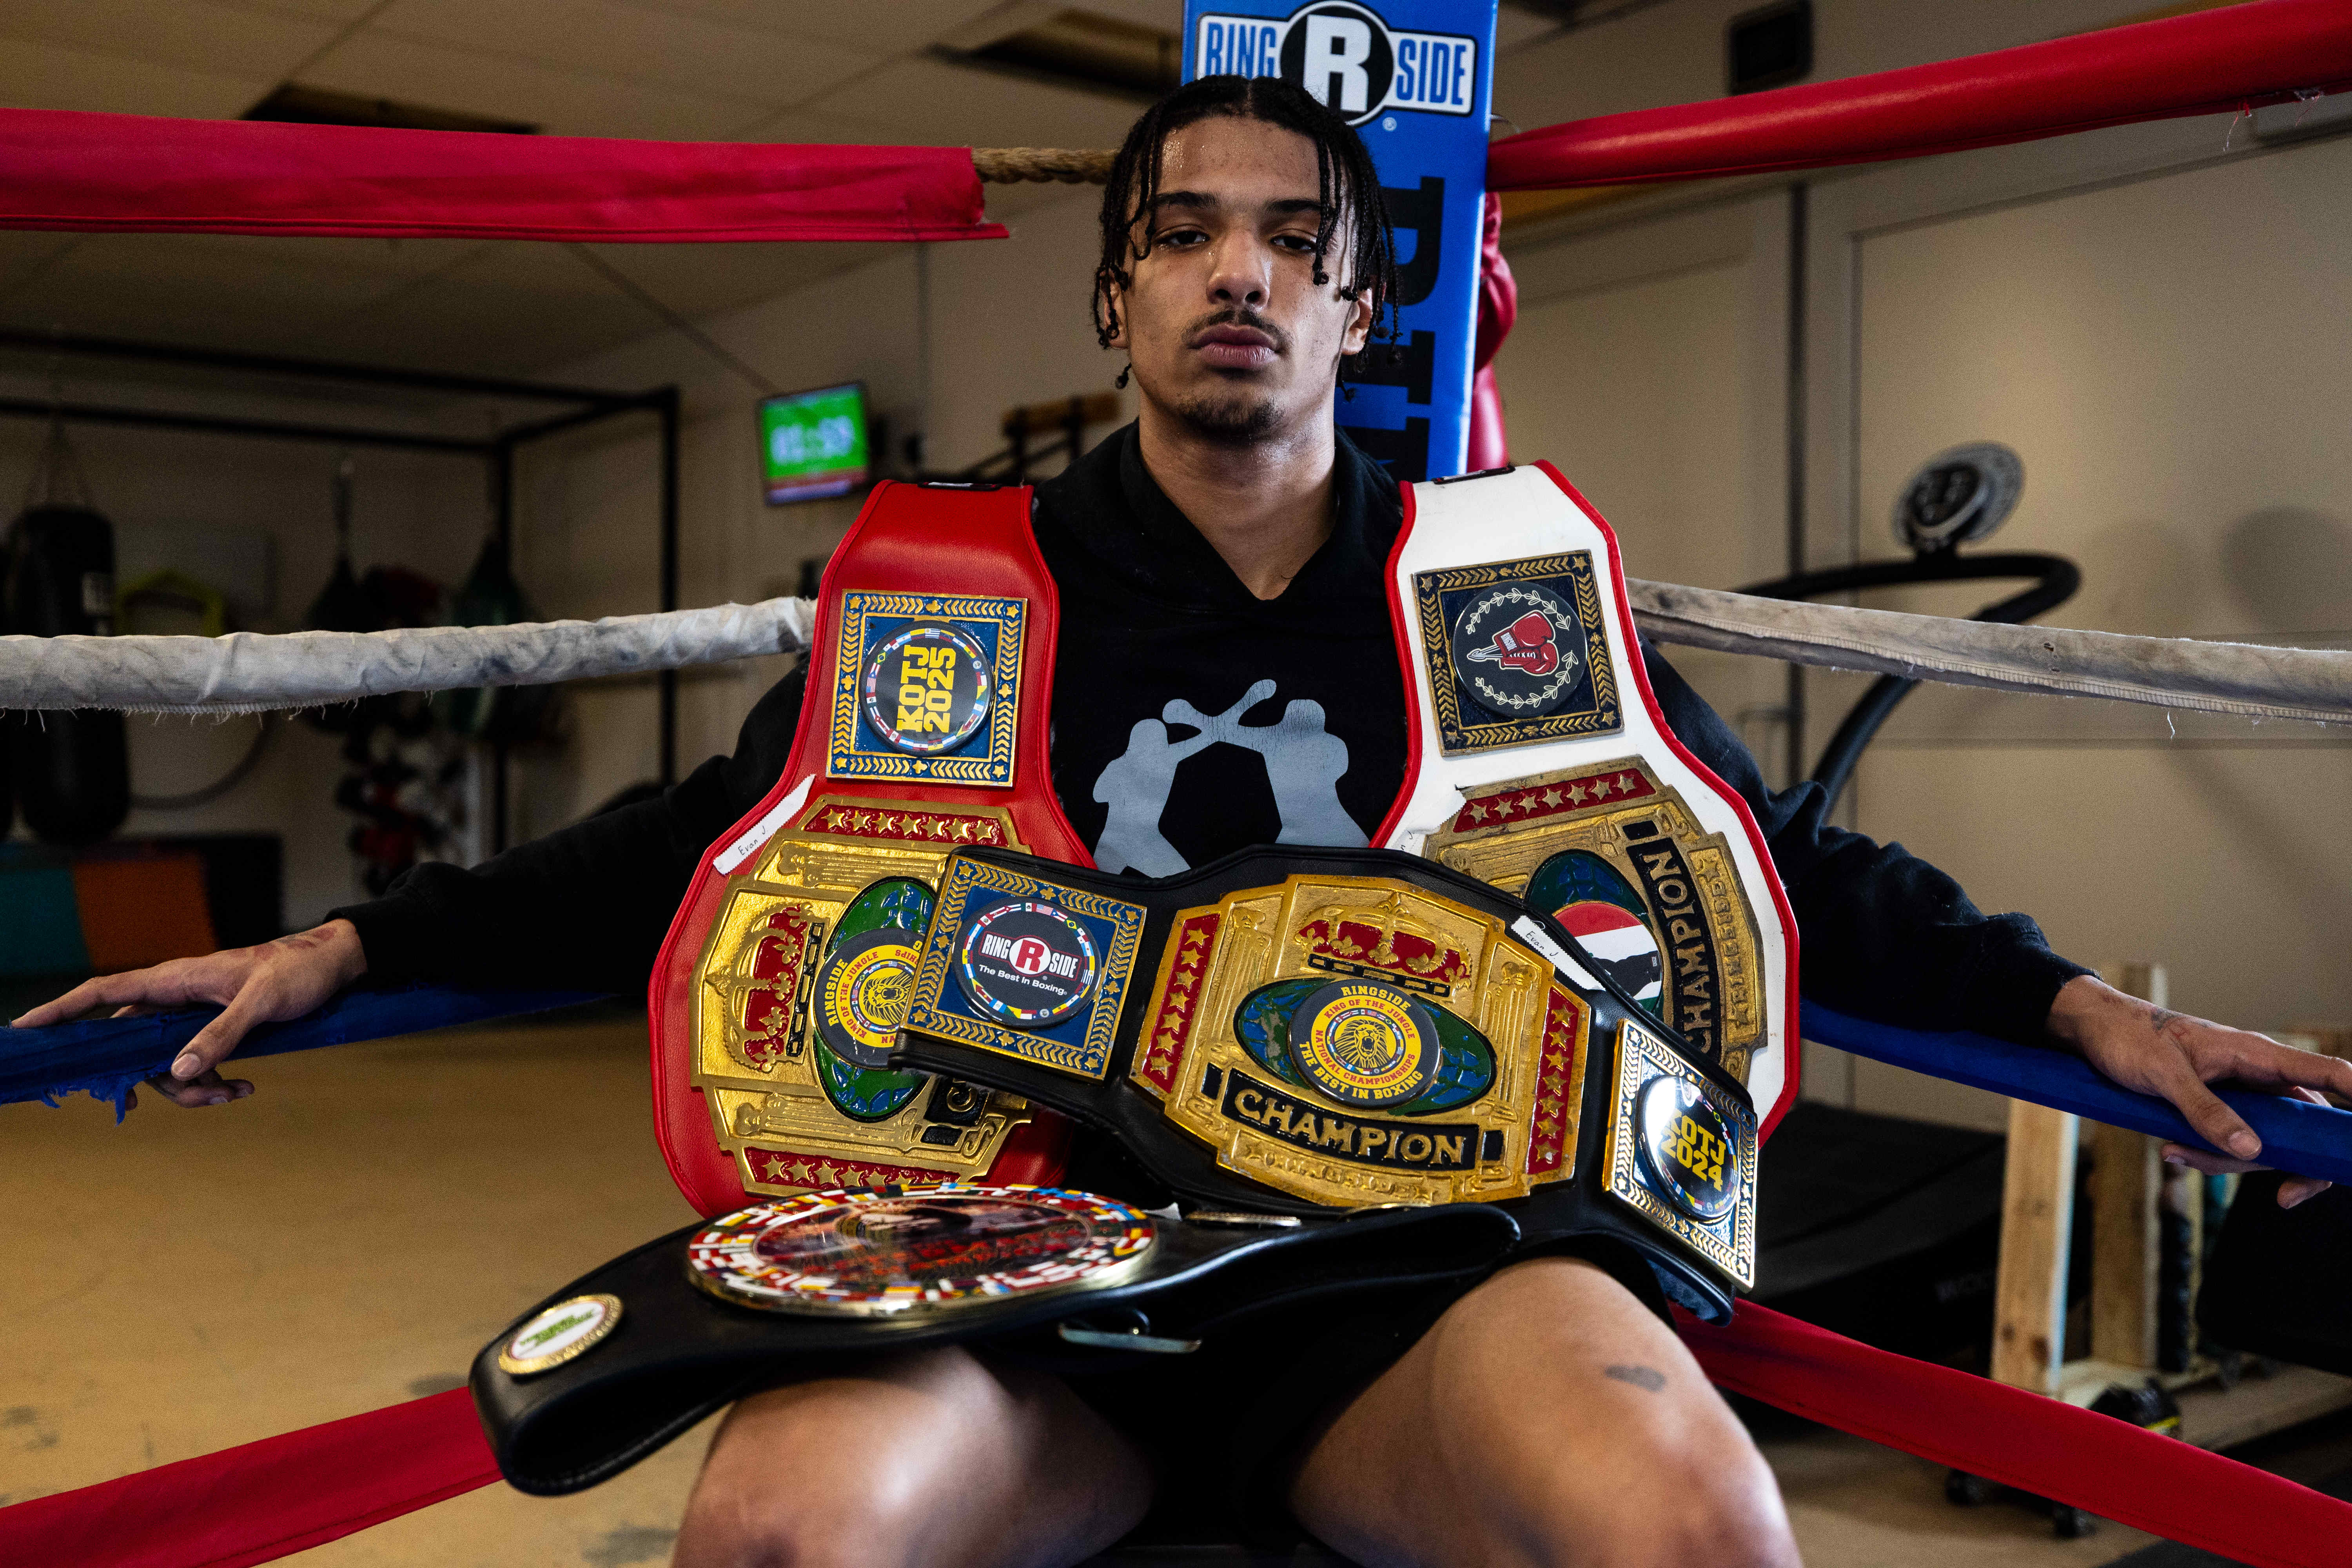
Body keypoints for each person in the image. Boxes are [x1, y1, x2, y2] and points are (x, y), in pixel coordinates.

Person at [21, 75, 2349, 1568]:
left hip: (1414, 1287)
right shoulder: (955, 593)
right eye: (1185, 232)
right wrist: (333, 952)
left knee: (1692, 1520)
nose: (1239, 269)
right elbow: (681, 853)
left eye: (1292, 237)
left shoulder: (1493, 591)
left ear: (1360, 300)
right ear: (1117, 292)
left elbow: (1765, 864)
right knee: (786, 1532)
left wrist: (2076, 1007)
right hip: (1015, 1282)